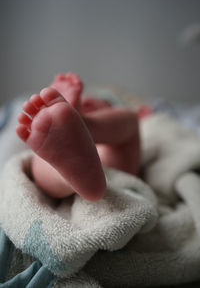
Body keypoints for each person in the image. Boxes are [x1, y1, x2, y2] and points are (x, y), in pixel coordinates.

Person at [16, 73, 140, 201]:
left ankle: (88, 125)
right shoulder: (51, 141)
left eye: (94, 103)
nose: (85, 101)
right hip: (66, 181)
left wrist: (85, 121)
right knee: (41, 161)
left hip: (111, 164)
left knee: (129, 118)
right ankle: (71, 177)